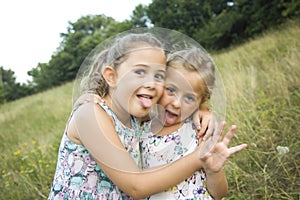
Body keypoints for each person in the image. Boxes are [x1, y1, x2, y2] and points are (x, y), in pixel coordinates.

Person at [48, 31, 220, 200]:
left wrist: (201, 108)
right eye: (140, 72)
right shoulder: (90, 115)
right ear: (111, 77)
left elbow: (173, 108)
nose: (151, 84)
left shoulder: (135, 117)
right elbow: (136, 187)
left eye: (159, 76)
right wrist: (197, 158)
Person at [140, 47, 247, 200]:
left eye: (189, 98)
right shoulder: (141, 129)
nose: (176, 103)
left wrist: (213, 171)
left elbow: (219, 194)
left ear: (201, 101)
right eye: (170, 90)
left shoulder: (199, 131)